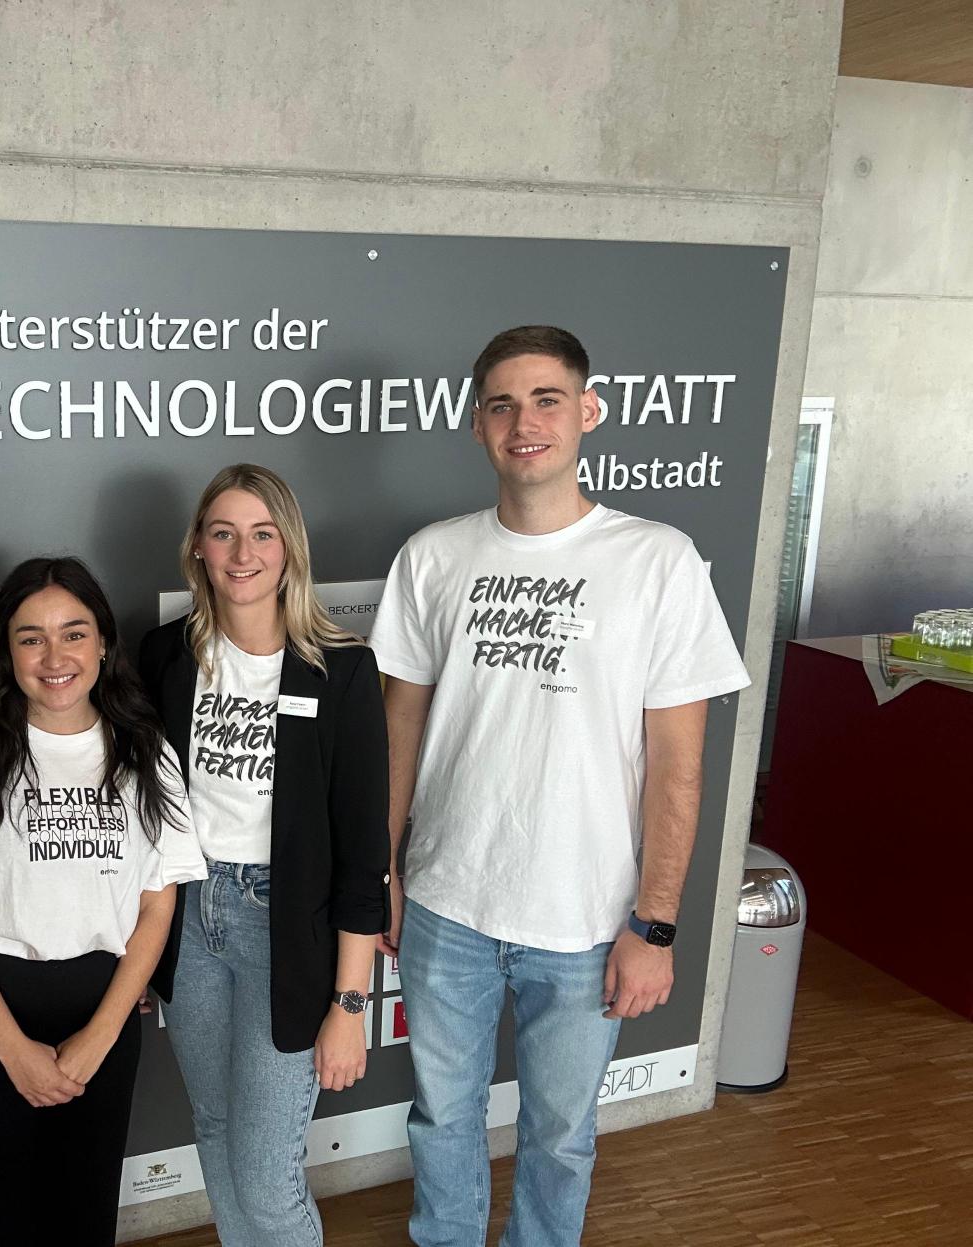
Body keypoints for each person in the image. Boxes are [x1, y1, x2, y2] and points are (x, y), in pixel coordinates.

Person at [372, 326, 750, 1247]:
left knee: (559, 1138)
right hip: (444, 903)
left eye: (546, 399)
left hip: (587, 922)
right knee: (440, 1120)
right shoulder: (433, 554)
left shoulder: (657, 559)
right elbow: (399, 725)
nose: (523, 421)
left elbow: (679, 763)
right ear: (476, 426)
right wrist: (381, 868)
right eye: (501, 403)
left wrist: (654, 922)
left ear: (587, 412)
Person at [0, 556, 204, 1246]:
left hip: (100, 1010)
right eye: (30, 636)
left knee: (79, 1218)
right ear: (5, 650)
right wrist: (13, 1050)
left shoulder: (145, 752)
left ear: (102, 643)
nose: (53, 655)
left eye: (73, 632)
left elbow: (157, 908)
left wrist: (100, 1035)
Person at [138, 464, 390, 1247]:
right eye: (222, 533)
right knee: (212, 1128)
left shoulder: (340, 669)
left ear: (289, 549)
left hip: (284, 928)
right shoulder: (162, 658)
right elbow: (139, 813)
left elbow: (360, 853)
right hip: (189, 918)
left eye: (260, 533)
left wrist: (349, 1007)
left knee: (265, 1174)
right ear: (198, 550)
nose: (240, 552)